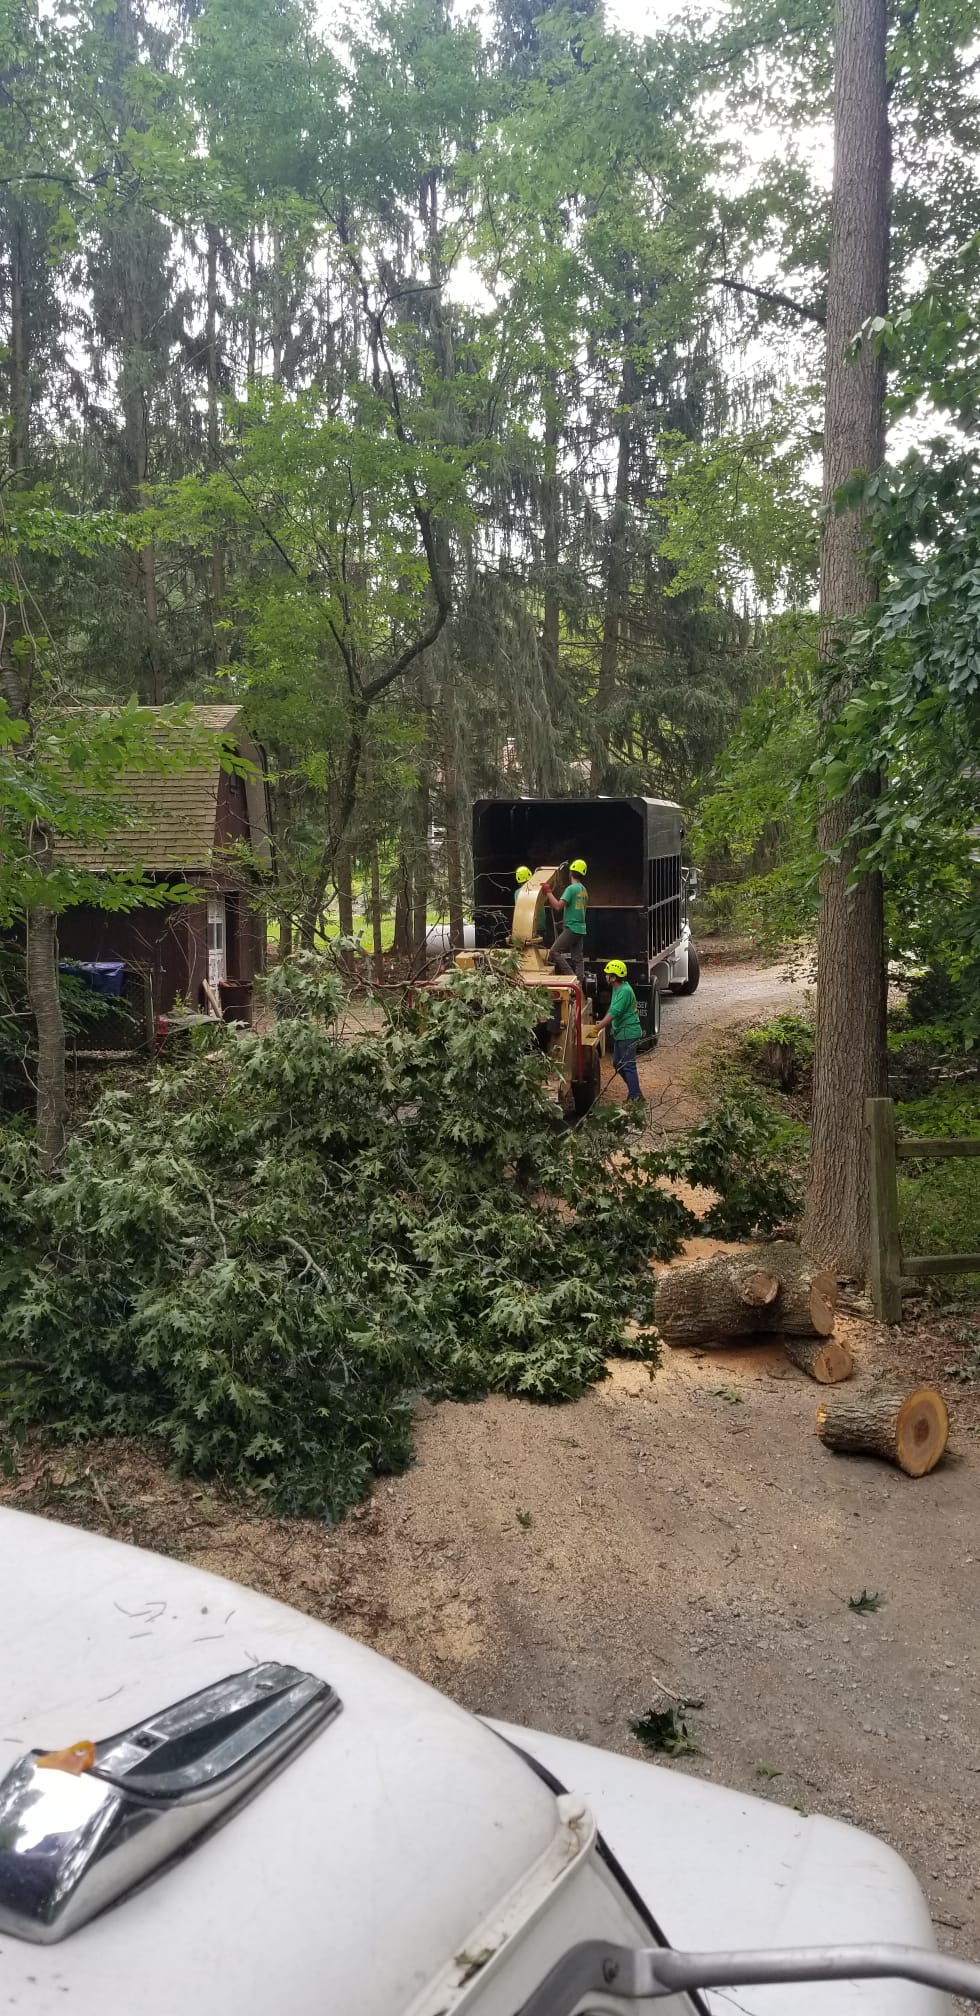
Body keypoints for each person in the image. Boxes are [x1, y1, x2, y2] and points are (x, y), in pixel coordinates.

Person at [596, 958, 643, 1106]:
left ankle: (636, 1097)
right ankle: (635, 1092)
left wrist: (597, 1028)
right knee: (617, 1063)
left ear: (614, 977)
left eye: (608, 974)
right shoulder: (617, 988)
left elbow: (614, 1013)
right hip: (621, 1032)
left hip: (628, 1033)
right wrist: (600, 1022)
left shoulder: (625, 991)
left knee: (628, 1065)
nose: (605, 976)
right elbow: (611, 1007)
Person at [541, 857, 588, 984]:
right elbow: (578, 911)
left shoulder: (571, 889)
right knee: (578, 959)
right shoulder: (583, 890)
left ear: (571, 873)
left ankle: (572, 980)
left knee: (554, 951)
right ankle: (580, 984)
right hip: (580, 929)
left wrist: (548, 892)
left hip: (572, 928)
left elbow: (557, 906)